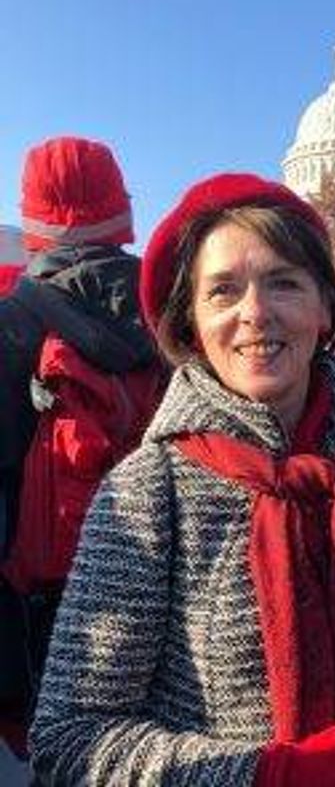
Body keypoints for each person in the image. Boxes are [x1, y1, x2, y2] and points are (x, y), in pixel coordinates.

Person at [30, 173, 335, 785]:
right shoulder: (150, 490)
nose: (256, 313)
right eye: (222, 292)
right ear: (189, 326)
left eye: (284, 283)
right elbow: (72, 734)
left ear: (324, 310)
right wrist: (265, 774)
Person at [0, 136, 162, 757]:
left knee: (66, 754)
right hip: (166, 578)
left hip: (50, 603)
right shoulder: (175, 309)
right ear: (119, 205)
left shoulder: (14, 323)